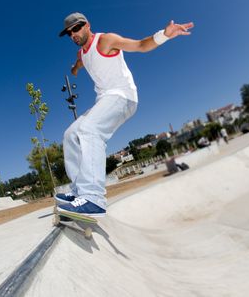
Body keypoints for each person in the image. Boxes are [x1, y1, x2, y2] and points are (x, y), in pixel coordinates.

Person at [56, 12, 194, 217]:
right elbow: (81, 63)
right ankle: (80, 193)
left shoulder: (106, 40)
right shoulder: (81, 55)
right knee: (70, 135)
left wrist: (164, 35)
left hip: (123, 97)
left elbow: (139, 45)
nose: (73, 35)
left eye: (76, 29)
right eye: (69, 33)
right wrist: (75, 69)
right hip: (104, 101)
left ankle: (94, 199)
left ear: (87, 25)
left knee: (89, 129)